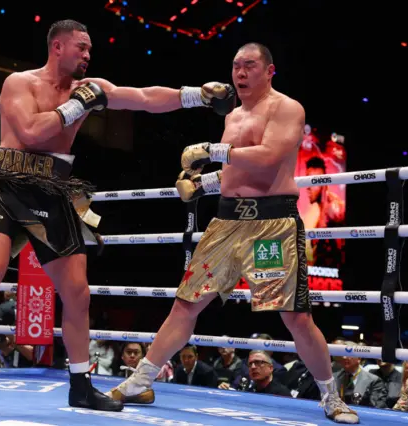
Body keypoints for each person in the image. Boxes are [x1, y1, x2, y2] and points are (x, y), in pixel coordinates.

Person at [0, 19, 235, 414]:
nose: (88, 55)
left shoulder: (90, 89)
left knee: (78, 293)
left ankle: (80, 384)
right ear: (57, 47)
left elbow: (142, 97)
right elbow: (33, 131)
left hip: (54, 192)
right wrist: (79, 104)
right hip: (7, 187)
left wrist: (197, 96)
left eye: (90, 49)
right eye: (81, 48)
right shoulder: (20, 84)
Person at [106, 42, 360, 424]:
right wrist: (205, 183)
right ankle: (140, 382)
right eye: (236, 66)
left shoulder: (287, 108)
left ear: (269, 71)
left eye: (250, 66)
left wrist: (210, 150)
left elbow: (269, 157)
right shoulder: (234, 116)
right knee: (185, 305)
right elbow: (239, 173)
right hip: (226, 223)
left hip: (271, 225)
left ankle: (331, 397)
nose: (240, 73)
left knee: (295, 318)